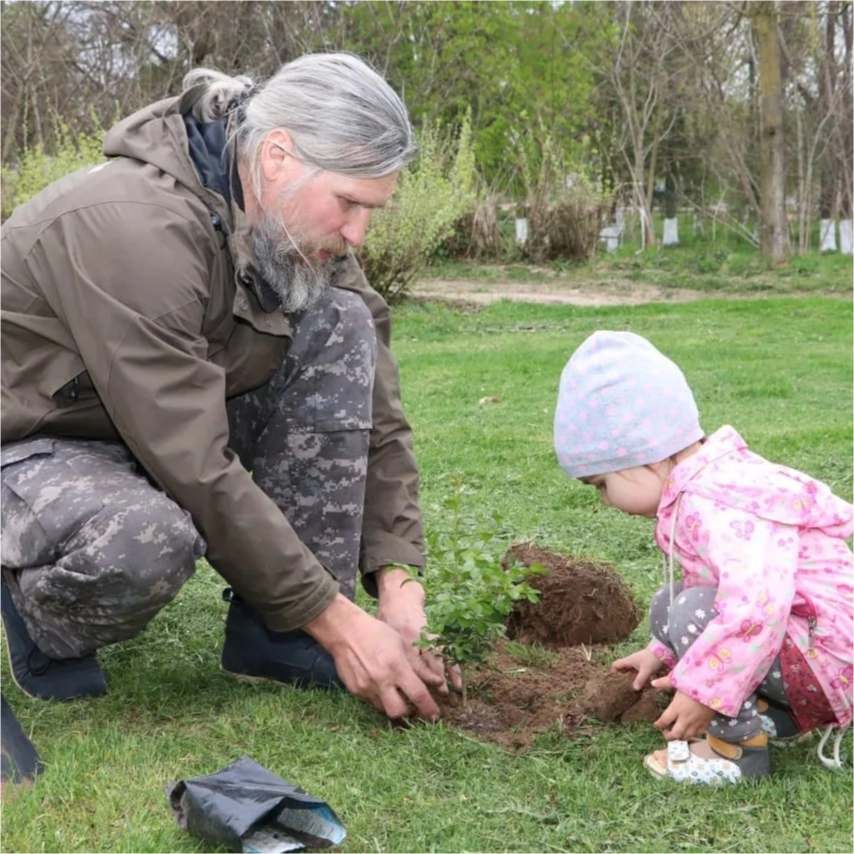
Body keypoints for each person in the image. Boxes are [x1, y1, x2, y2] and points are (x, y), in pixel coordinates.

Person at [1, 52, 452, 724]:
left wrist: (397, 582)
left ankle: (277, 638)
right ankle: (41, 614)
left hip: (147, 428)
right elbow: (192, 461)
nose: (358, 233)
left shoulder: (289, 229)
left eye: (372, 210)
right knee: (144, 542)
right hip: (35, 440)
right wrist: (342, 625)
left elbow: (378, 416)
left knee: (343, 318)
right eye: (350, 203)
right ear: (275, 157)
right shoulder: (134, 228)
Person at [553, 330, 852, 785]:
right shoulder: (706, 484)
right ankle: (777, 715)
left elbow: (755, 608)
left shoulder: (714, 503)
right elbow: (717, 591)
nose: (605, 501)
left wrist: (706, 691)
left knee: (693, 609)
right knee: (675, 601)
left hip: (828, 664)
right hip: (813, 649)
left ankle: (734, 753)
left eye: (602, 484)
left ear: (646, 457)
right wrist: (661, 650)